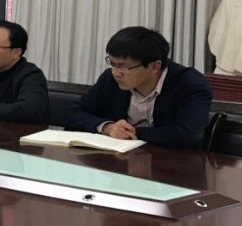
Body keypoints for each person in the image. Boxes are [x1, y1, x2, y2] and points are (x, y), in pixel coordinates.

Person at [63, 26, 212, 148]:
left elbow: (188, 134)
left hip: (172, 165)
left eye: (123, 67)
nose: (115, 72)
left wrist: (129, 132)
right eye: (112, 63)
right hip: (118, 162)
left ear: (154, 66)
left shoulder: (190, 84)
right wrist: (109, 127)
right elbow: (73, 113)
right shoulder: (110, 79)